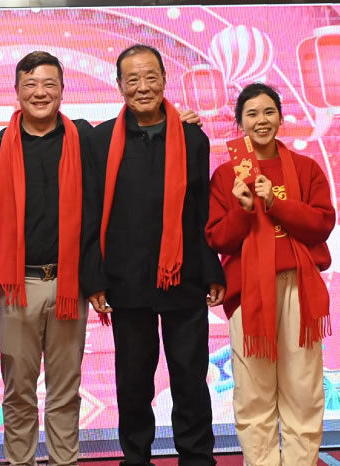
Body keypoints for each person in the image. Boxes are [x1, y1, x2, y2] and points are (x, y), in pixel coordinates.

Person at [80, 44, 225, 466]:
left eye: (150, 77)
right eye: (133, 79)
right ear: (119, 85)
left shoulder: (193, 138)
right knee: (133, 383)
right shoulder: (100, 140)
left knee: (190, 378)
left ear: (164, 79)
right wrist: (94, 277)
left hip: (184, 277)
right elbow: (91, 211)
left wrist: (212, 269)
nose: (143, 87)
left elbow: (200, 210)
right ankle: (136, 458)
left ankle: (196, 458)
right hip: (125, 280)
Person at [205, 82, 335, 466]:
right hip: (249, 292)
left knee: (303, 389)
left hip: (299, 287)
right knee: (254, 392)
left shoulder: (306, 168)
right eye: (252, 114)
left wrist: (276, 202)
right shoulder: (226, 175)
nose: (261, 120)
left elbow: (322, 225)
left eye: (268, 112)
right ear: (240, 123)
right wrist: (244, 209)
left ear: (280, 117)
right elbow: (218, 238)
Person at [0, 51, 91, 466]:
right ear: (16, 92)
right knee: (18, 392)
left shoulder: (84, 140)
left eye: (49, 84)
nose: (40, 93)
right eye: (30, 85)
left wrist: (180, 122)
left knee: (66, 390)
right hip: (17, 286)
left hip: (69, 284)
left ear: (63, 90)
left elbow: (134, 127)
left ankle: (66, 461)